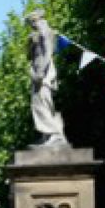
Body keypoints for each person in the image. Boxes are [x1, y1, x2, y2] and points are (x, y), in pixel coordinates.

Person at [26, 10, 68, 147]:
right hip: (38, 71)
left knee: (42, 101)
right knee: (39, 102)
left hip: (44, 73)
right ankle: (47, 135)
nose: (32, 25)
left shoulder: (45, 32)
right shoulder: (36, 35)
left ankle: (54, 133)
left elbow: (48, 53)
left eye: (33, 22)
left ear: (37, 20)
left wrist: (40, 72)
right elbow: (30, 56)